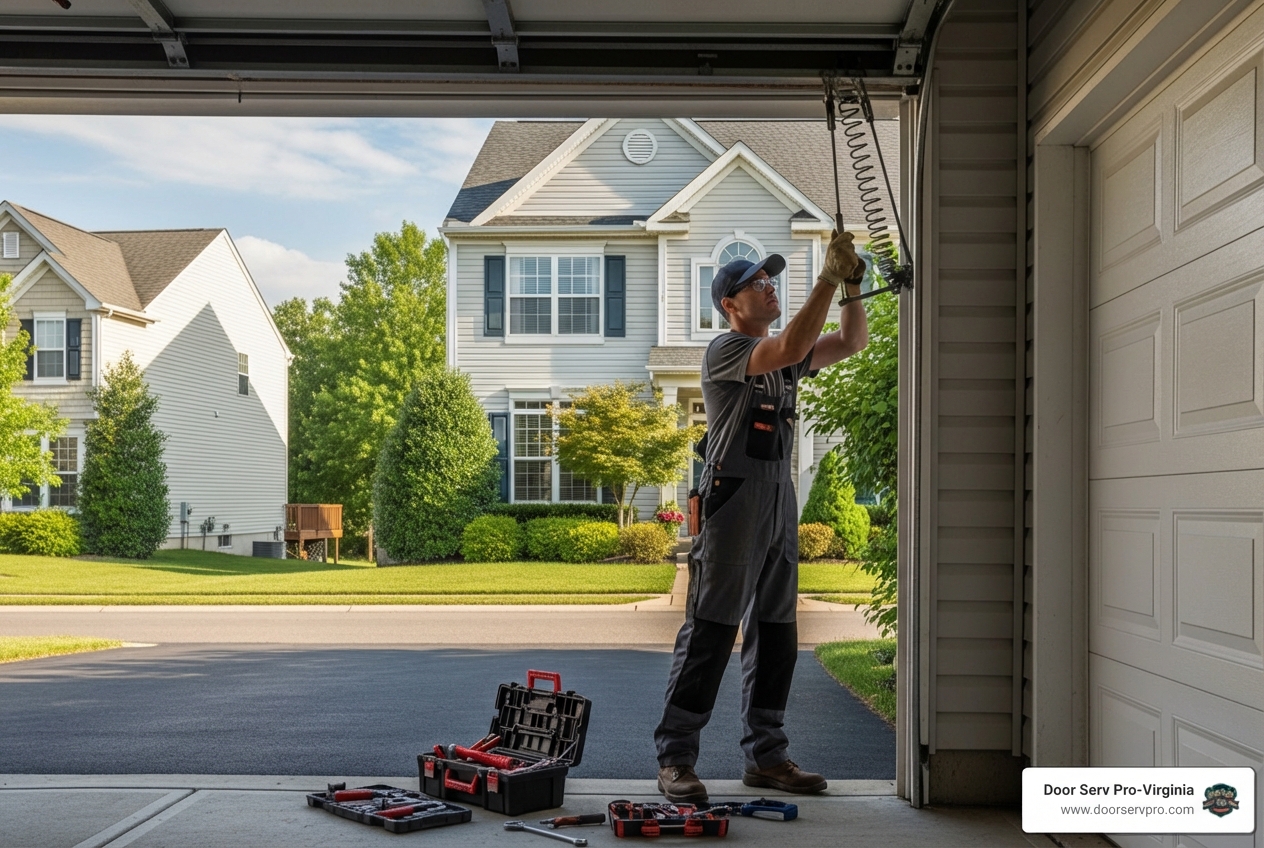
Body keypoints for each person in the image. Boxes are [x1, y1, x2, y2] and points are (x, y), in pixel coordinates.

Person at [654, 229, 869, 803]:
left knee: (778, 635)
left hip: (779, 501)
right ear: (730, 304)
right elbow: (788, 347)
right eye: (756, 284)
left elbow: (850, 342)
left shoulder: (790, 360)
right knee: (711, 631)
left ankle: (767, 757)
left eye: (772, 281)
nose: (768, 289)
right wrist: (827, 277)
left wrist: (850, 286)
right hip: (733, 501)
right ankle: (676, 757)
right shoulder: (726, 349)